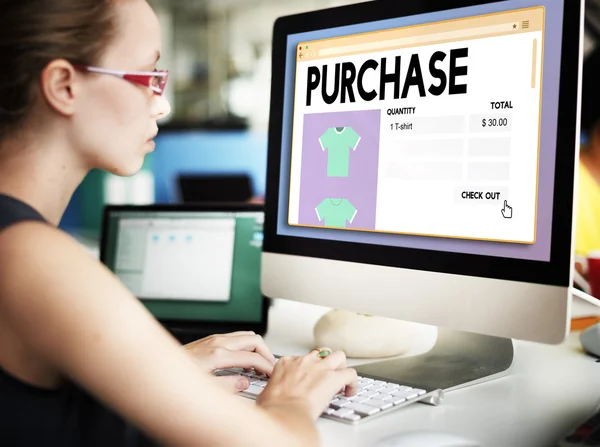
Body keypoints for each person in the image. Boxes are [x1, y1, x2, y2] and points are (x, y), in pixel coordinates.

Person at [0, 1, 357, 446]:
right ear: (64, 85)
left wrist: (159, 369)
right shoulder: (34, 260)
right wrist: (291, 399)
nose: (163, 103)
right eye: (149, 77)